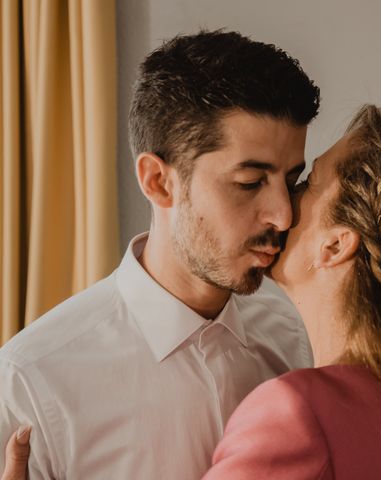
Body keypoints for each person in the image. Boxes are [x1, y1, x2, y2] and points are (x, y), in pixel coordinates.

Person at [3, 105, 381, 479]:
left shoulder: (298, 407)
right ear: (158, 181)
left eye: (303, 180)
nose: (279, 210)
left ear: (337, 244)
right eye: (252, 183)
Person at [0, 30, 319, 479]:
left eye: (291, 180)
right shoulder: (31, 382)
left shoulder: (298, 339)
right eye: (250, 183)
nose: (284, 216)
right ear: (158, 181)